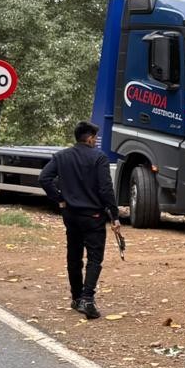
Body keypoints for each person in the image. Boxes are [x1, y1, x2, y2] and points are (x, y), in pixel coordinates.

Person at [38, 121, 122, 319]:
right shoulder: (99, 157)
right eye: (95, 138)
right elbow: (105, 188)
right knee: (94, 258)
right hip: (93, 216)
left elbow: (44, 178)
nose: (96, 141)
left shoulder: (61, 156)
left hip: (71, 215)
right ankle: (87, 299)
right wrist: (115, 215)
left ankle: (76, 297)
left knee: (74, 256)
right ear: (90, 138)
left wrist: (59, 199)